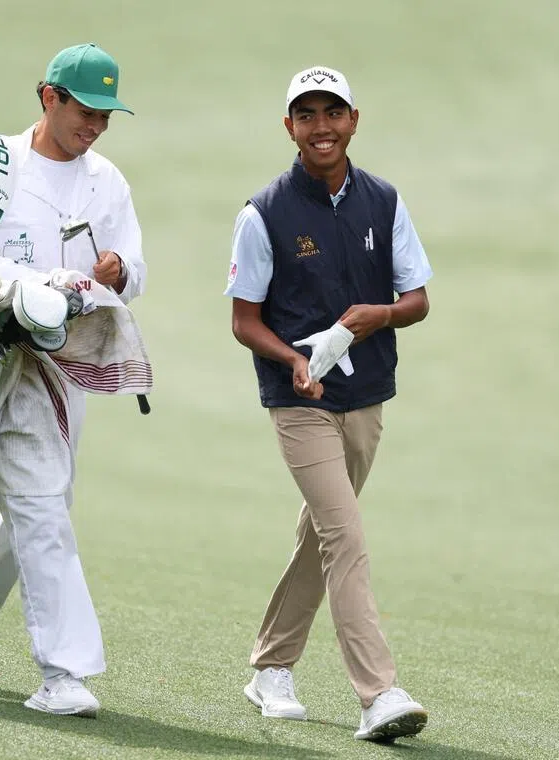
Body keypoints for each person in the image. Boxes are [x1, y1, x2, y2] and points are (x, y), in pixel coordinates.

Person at [0, 42, 146, 718]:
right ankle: (64, 672)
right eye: (86, 111)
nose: (96, 127)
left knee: (42, 505)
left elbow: (134, 267)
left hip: (69, 364)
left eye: (107, 116)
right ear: (47, 97)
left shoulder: (106, 180)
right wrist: (34, 288)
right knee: (42, 507)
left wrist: (114, 268)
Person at [224, 65, 432, 743]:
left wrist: (378, 315)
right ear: (290, 127)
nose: (322, 127)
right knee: (345, 536)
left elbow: (418, 299)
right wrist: (291, 361)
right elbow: (244, 319)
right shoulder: (265, 212)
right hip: (299, 401)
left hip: (366, 396)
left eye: (332, 112)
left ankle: (270, 667)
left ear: (353, 120)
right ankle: (378, 693)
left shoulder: (384, 200)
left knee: (320, 537)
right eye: (307, 115)